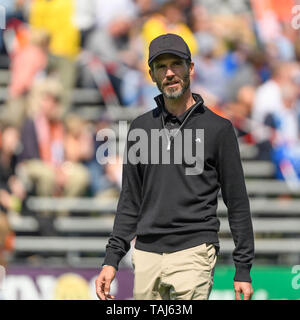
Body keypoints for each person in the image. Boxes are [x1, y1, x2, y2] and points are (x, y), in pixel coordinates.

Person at [95, 33, 254, 300]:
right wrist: (111, 258)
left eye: (176, 64)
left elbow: (237, 202)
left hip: (194, 253)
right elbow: (130, 200)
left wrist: (243, 267)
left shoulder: (219, 129)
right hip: (145, 256)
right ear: (152, 75)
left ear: (191, 68)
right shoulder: (140, 128)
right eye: (161, 67)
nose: (169, 73)